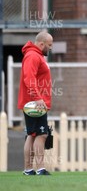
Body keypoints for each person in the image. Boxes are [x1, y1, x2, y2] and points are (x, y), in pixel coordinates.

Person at [18, 31, 54, 176]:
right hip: (34, 103)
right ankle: (39, 168)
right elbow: (29, 78)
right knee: (41, 134)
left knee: (32, 134)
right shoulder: (33, 55)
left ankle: (29, 170)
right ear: (41, 44)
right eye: (49, 45)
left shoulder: (36, 55)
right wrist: (38, 98)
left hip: (36, 102)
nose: (50, 48)